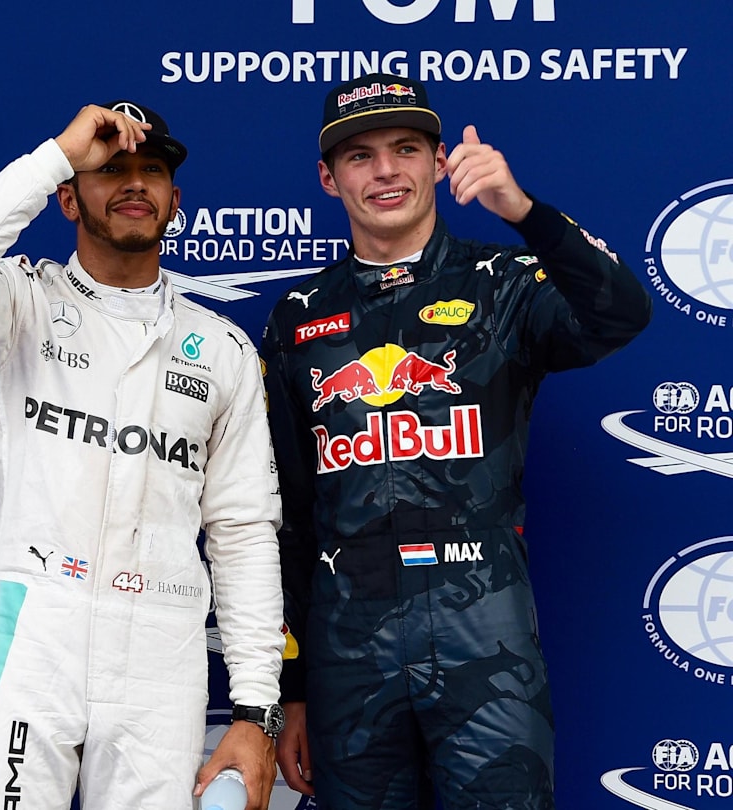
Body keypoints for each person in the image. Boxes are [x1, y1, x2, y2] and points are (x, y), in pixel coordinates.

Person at [263, 73, 652, 809]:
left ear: (440, 164)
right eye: (360, 155)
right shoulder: (297, 316)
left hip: (486, 632)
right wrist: (294, 688)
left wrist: (525, 214)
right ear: (327, 176)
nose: (385, 171)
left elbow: (621, 314)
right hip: (348, 650)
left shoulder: (504, 281)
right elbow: (286, 511)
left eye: (406, 148)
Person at [0, 101, 285, 810]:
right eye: (109, 169)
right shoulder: (19, 306)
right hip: (32, 628)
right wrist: (58, 151)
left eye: (151, 171)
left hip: (163, 648)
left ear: (176, 200)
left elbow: (243, 533)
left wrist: (256, 709)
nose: (134, 184)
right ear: (69, 198)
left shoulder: (225, 351)